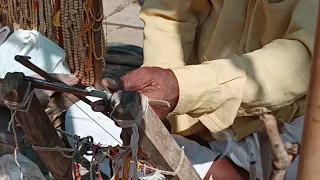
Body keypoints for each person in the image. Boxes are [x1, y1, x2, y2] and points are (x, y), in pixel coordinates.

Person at [89, 0, 317, 179]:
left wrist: (181, 87)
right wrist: (160, 94)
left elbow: (303, 57)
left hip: (293, 117)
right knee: (84, 118)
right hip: (200, 100)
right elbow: (170, 15)